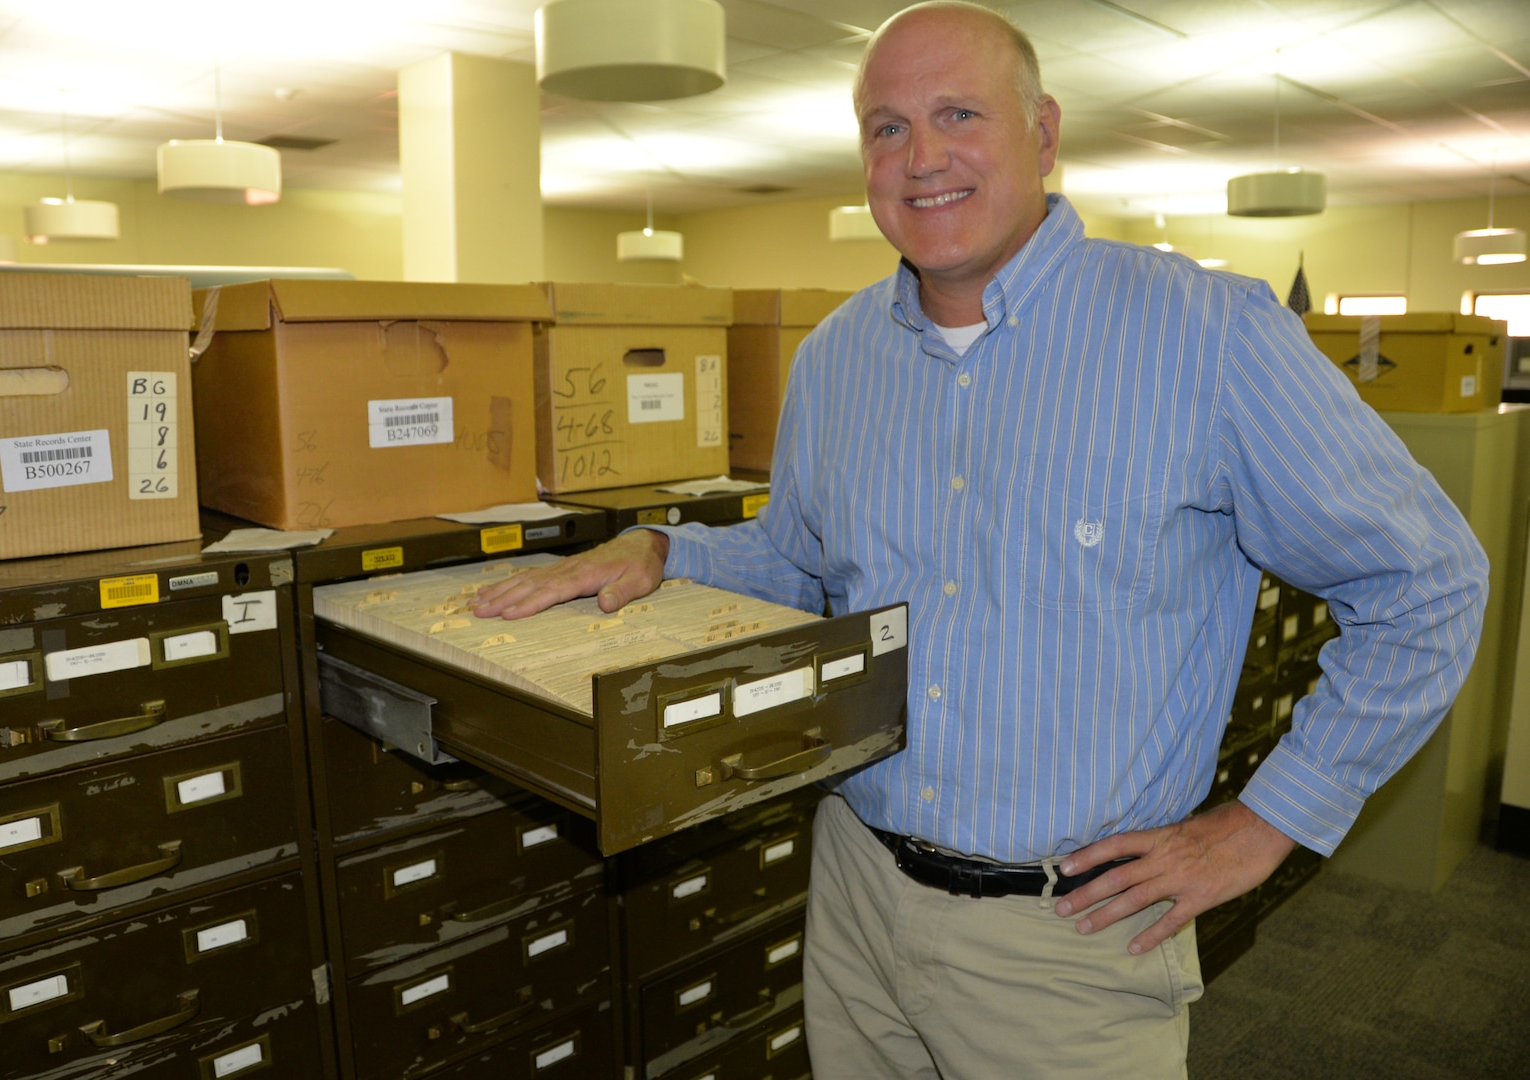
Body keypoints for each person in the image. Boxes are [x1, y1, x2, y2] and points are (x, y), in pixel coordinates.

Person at [474, 2, 1489, 1075]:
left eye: (958, 113)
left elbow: (1427, 584)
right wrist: (662, 552)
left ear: (1043, 134)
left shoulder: (1208, 336)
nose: (922, 158)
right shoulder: (835, 360)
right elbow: (803, 567)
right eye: (887, 127)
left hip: (1070, 944)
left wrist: (1268, 821)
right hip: (858, 896)